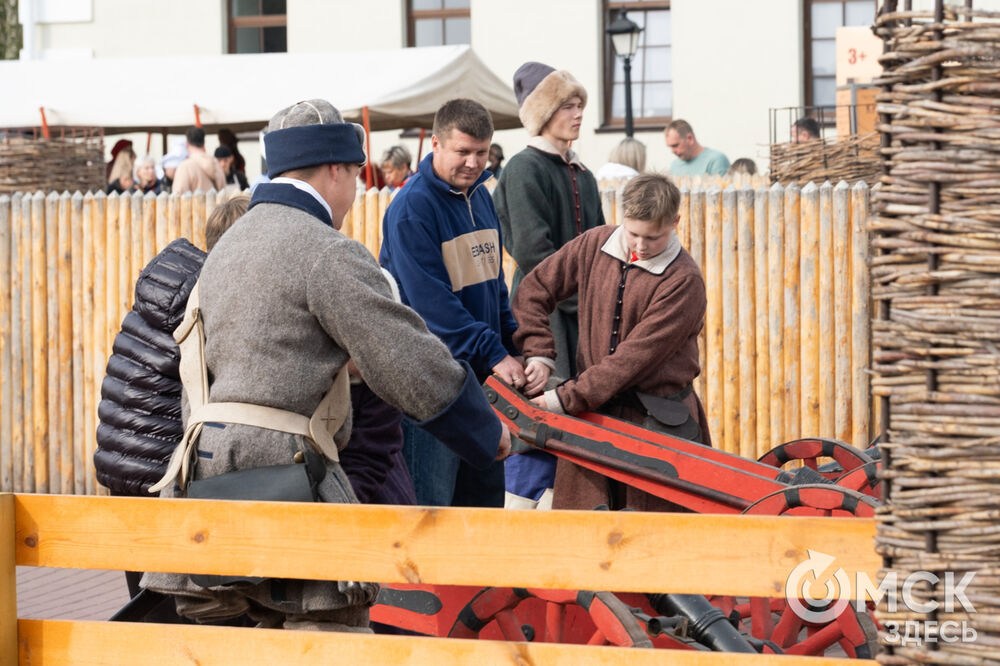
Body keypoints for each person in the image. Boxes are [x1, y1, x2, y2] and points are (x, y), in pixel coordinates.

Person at [142, 99, 509, 632]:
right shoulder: (324, 249)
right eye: (356, 176)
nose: (356, 192)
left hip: (208, 474)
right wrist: (483, 432)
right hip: (291, 472)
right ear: (337, 169)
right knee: (332, 637)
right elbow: (404, 356)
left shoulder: (227, 246)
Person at [512, 174, 710, 512]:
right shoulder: (593, 244)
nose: (641, 246)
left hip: (657, 423)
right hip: (591, 415)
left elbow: (632, 360)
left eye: (654, 237)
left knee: (654, 542)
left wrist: (564, 398)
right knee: (583, 537)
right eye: (633, 233)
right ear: (621, 215)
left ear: (675, 222)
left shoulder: (684, 281)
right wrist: (540, 353)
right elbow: (533, 291)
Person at [95, 193, 250, 600]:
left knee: (144, 600)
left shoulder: (164, 288)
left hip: (121, 462)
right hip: (160, 469)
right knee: (175, 606)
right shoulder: (206, 301)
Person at [380, 98, 521, 509]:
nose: (474, 163)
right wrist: (495, 353)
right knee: (432, 513)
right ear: (436, 144)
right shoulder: (412, 209)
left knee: (483, 510)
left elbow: (495, 285)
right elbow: (432, 309)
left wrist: (513, 345)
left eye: (482, 153)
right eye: (463, 152)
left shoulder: (480, 198)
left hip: (478, 388)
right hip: (431, 392)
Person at [493, 61, 605, 510]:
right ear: (542, 114)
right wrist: (587, 300)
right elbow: (533, 253)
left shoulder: (584, 175)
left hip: (584, 317)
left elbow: (600, 248)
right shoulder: (523, 170)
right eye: (567, 105)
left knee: (582, 421)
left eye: (579, 104)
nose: (578, 114)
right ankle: (518, 527)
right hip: (545, 317)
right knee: (539, 420)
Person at [172, 126, 226, 195]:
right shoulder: (215, 163)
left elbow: (177, 196)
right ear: (204, 143)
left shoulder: (185, 166)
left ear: (187, 144)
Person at [665, 119, 730, 177]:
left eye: (675, 145)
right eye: (670, 147)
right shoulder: (674, 166)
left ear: (690, 138)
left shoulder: (716, 160)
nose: (672, 151)